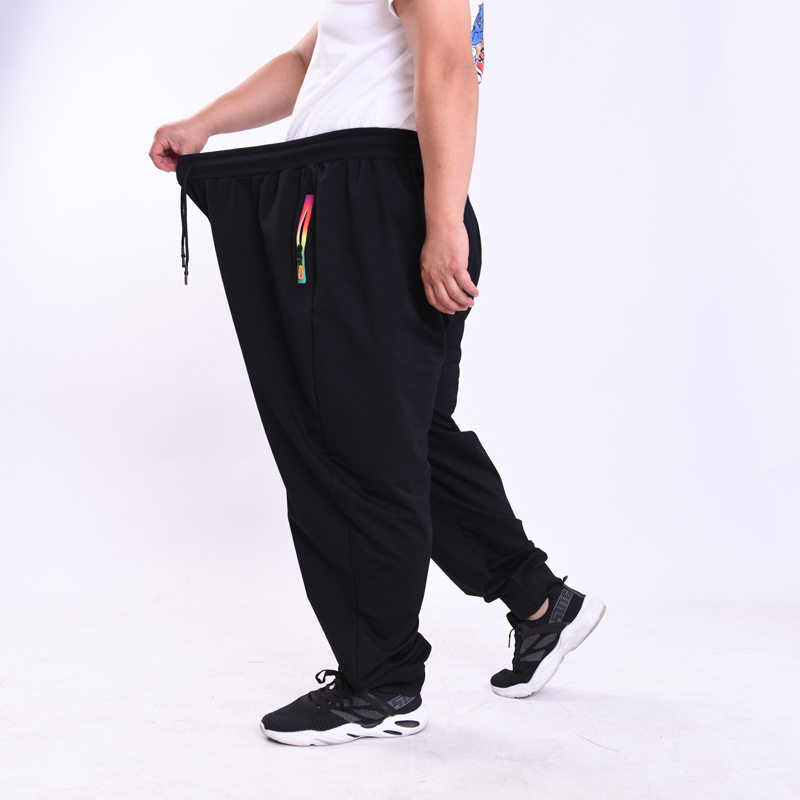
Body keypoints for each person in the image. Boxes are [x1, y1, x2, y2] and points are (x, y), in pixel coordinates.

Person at [149, 0, 605, 747]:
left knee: (354, 446)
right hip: (367, 196)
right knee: (407, 435)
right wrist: (207, 123)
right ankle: (538, 602)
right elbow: (307, 60)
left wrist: (442, 222)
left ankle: (381, 685)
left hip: (372, 200)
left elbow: (450, 68)